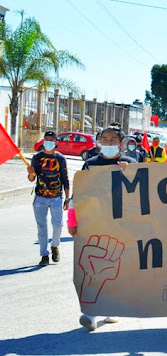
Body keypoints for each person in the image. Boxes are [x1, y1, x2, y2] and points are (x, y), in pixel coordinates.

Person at [70, 125, 136, 331]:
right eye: (104, 139)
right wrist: (72, 220)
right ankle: (90, 313)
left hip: (121, 224)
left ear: (121, 143)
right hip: (94, 223)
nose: (108, 143)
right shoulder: (90, 164)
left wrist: (129, 174)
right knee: (92, 263)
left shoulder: (131, 164)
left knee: (115, 267)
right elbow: (78, 196)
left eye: (113, 140)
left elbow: (141, 194)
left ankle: (111, 308)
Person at [27, 131, 70, 266]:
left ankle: (55, 245)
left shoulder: (60, 159)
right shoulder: (37, 157)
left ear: (56, 142)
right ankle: (44, 254)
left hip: (56, 197)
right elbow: (31, 179)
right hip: (40, 197)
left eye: (51, 139)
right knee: (41, 227)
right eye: (46, 139)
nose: (49, 142)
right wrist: (32, 174)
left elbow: (65, 179)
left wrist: (67, 198)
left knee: (58, 225)